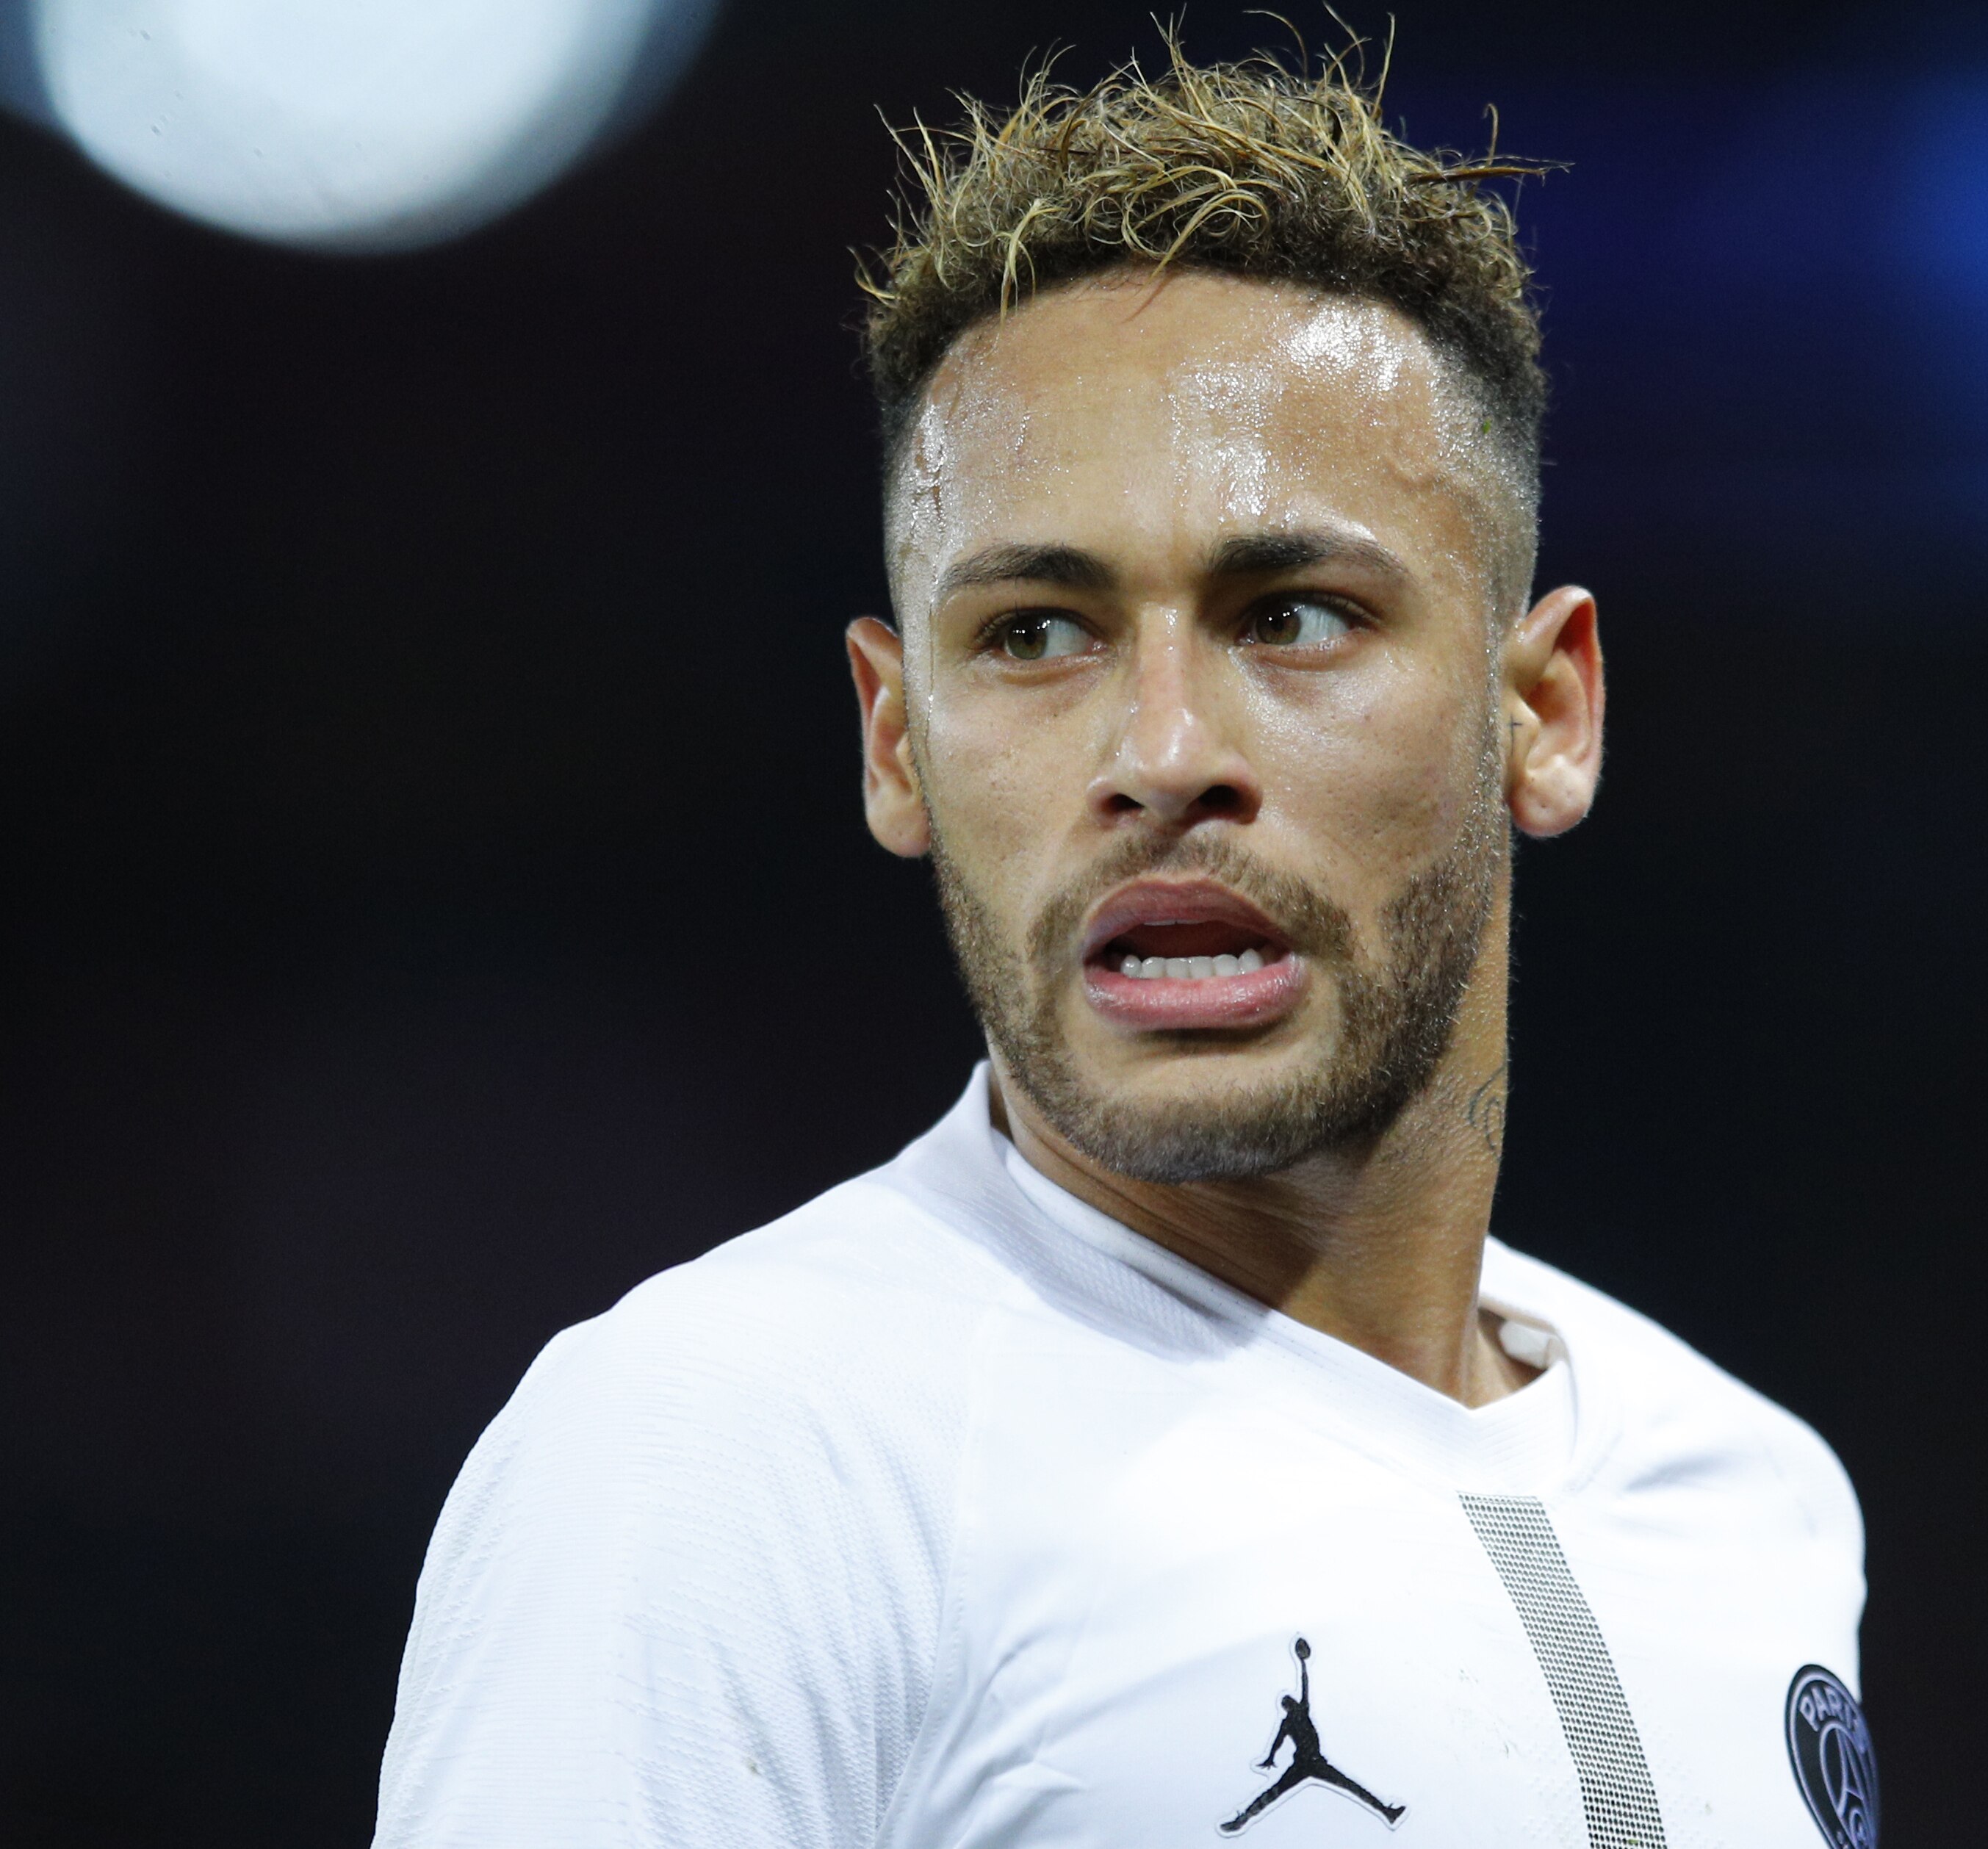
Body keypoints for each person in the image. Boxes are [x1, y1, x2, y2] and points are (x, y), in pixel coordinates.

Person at [374, 40, 1871, 1849]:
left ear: (1541, 708)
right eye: (1033, 633)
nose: (1161, 754)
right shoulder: (726, 1453)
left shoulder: (1751, 1494)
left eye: (1294, 613)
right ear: (894, 737)